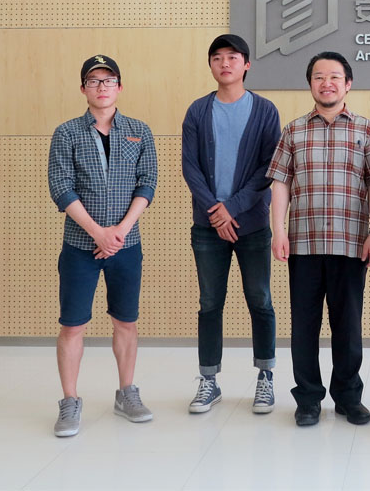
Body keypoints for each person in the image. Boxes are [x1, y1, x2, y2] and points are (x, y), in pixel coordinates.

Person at [267, 52, 370, 427]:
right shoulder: (294, 130)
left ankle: (349, 397)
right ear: (310, 84)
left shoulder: (366, 129)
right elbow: (280, 183)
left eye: (334, 77)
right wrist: (279, 230)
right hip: (303, 243)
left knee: (348, 326)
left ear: (348, 84)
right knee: (303, 325)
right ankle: (308, 399)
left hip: (351, 243)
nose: (327, 83)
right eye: (319, 77)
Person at [48, 55, 158, 437]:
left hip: (127, 246)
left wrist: (120, 231)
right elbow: (61, 187)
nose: (102, 87)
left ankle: (127, 393)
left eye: (109, 80)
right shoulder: (66, 133)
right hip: (80, 246)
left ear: (120, 87)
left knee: (126, 322)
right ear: (83, 89)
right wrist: (97, 232)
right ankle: (69, 401)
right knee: (72, 325)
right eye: (94, 81)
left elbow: (147, 182)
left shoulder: (139, 131)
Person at [181, 34, 281, 415]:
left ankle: (265, 377)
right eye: (217, 58)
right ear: (210, 65)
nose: (225, 64)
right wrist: (215, 211)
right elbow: (190, 166)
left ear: (246, 64)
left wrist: (232, 209)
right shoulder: (197, 111)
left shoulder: (265, 110)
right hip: (207, 227)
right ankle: (209, 380)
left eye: (233, 57)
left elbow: (268, 168)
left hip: (251, 224)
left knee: (260, 300)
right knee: (210, 303)